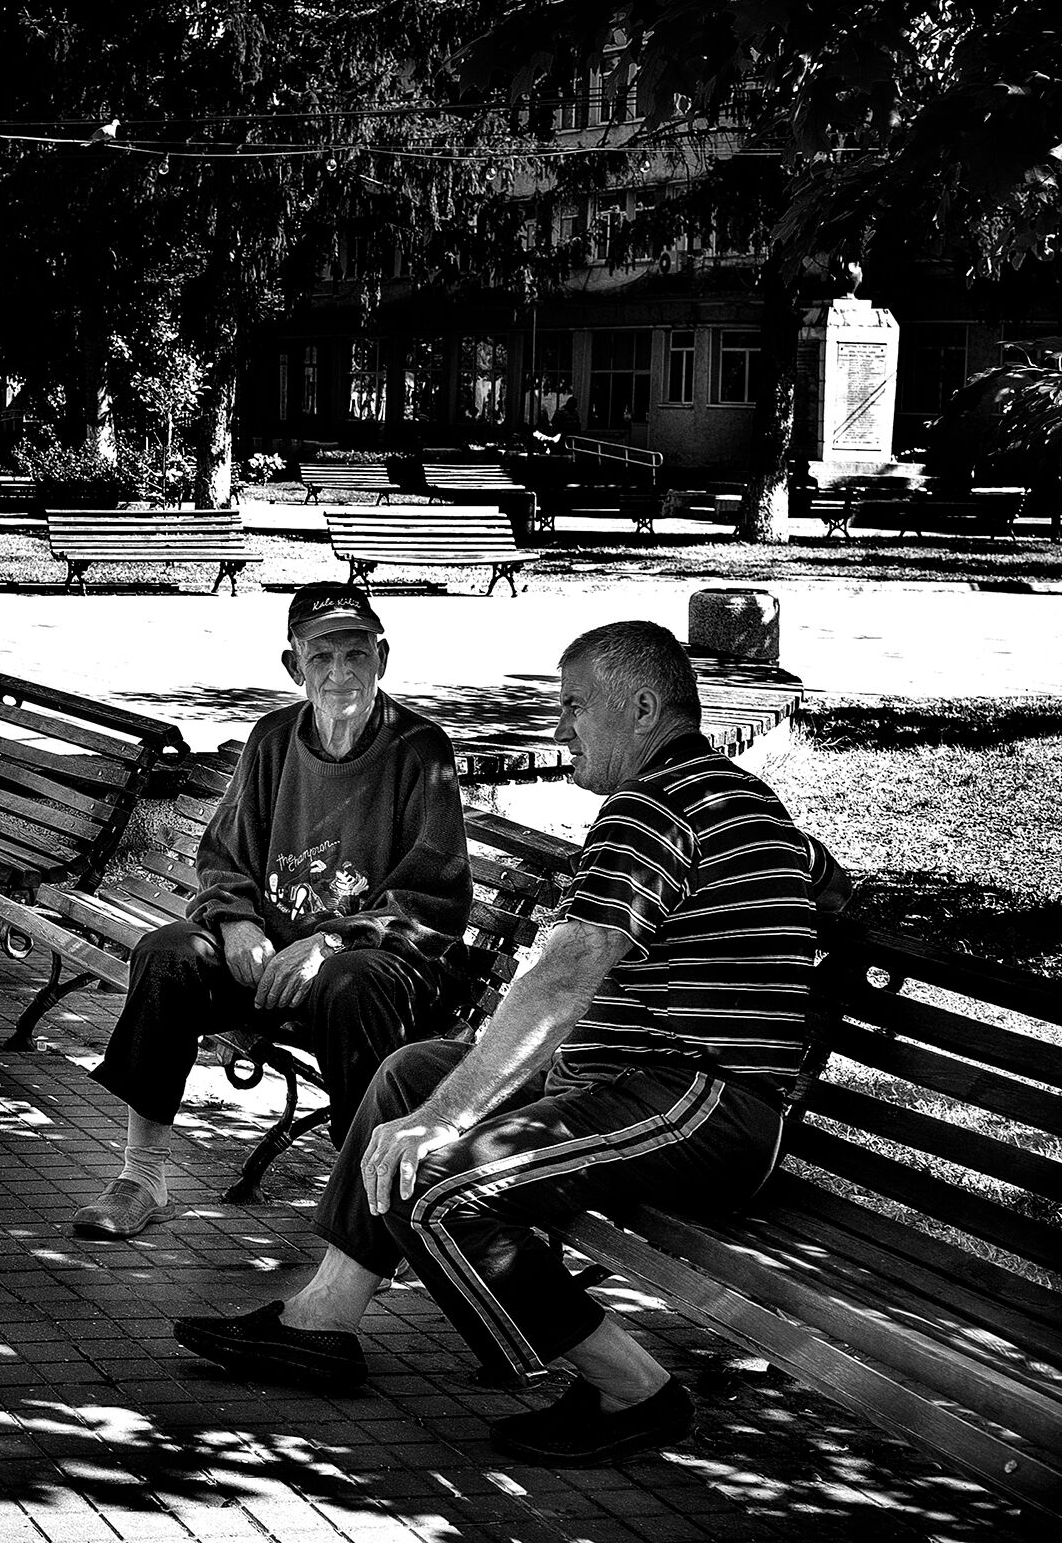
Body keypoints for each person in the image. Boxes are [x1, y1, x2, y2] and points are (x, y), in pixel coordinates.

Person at [172, 620, 849, 1465]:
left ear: (641, 709)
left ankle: (637, 1390)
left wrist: (447, 1121)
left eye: (573, 708)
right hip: (632, 1080)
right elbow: (829, 882)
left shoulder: (653, 807)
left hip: (700, 1099)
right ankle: (325, 1317)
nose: (560, 727)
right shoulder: (731, 795)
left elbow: (563, 976)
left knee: (444, 1176)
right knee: (410, 1073)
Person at [73, 581, 473, 1238]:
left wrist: (331, 943)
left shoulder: (420, 748)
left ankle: (363, 1203)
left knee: (353, 981)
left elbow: (435, 895)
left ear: (383, 658)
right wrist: (236, 921)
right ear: (294, 667)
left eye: (357, 655)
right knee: (169, 953)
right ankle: (140, 1176)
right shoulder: (273, 738)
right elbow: (225, 853)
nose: (341, 674)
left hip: (376, 968)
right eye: (322, 658)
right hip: (271, 963)